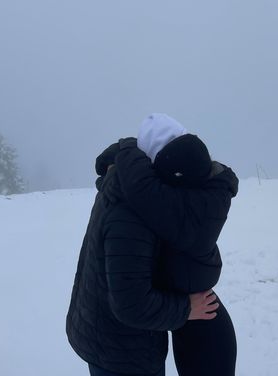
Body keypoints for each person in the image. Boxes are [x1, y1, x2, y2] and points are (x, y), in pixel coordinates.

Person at [66, 137, 219, 376]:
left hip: (107, 337)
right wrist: (186, 309)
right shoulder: (132, 218)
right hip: (121, 355)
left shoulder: (128, 183)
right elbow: (131, 304)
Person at [115, 113, 239, 376]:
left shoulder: (170, 207)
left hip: (203, 329)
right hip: (197, 323)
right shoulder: (200, 195)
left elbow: (141, 188)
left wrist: (125, 150)